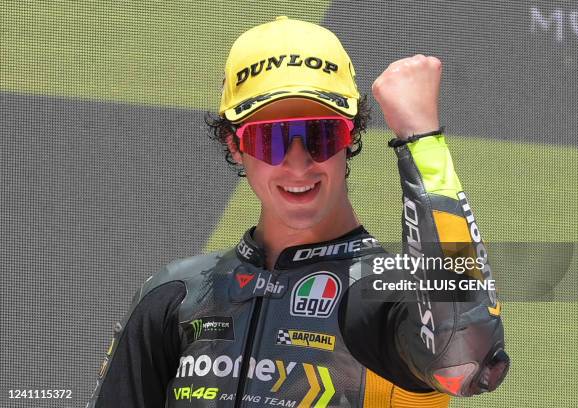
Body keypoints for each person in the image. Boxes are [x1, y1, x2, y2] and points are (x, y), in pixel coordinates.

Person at [88, 16, 509, 408]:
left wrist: (422, 141)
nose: (298, 163)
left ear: (352, 134)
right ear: (235, 146)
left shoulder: (389, 294)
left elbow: (464, 357)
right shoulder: (176, 296)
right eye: (269, 139)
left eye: (319, 134)